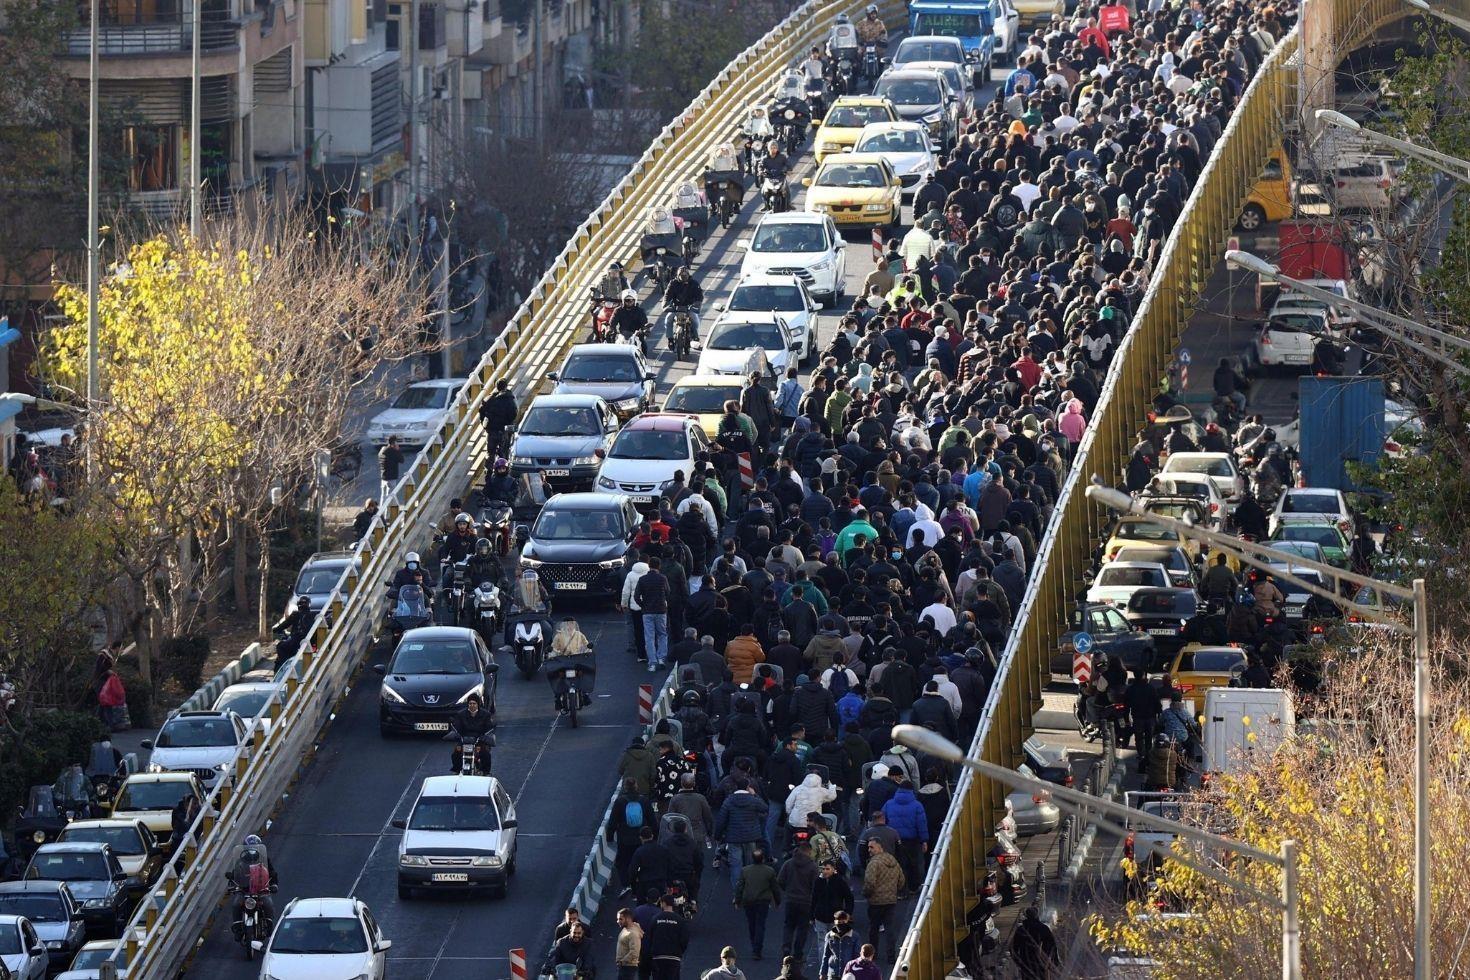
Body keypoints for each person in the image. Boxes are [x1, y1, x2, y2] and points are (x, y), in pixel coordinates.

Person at [225, 835, 278, 940]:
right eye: (250, 848)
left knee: (268, 904)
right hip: (244, 890)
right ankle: (238, 928)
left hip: (261, 890)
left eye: (255, 847)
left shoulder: (264, 860)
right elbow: (235, 874)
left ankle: (269, 926)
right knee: (236, 904)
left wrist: (274, 884)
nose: (252, 850)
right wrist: (232, 883)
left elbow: (272, 873)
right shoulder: (240, 861)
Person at [734, 846, 781, 961]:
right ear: (763, 859)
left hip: (748, 901)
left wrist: (737, 900)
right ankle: (757, 949)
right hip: (762, 901)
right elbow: (775, 888)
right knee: (760, 924)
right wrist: (777, 901)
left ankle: (753, 943)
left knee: (751, 923)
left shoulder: (745, 870)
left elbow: (740, 887)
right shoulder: (769, 871)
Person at [861, 838, 904, 962]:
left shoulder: (873, 863)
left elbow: (870, 883)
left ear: (880, 848)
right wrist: (893, 891)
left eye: (871, 847)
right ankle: (891, 956)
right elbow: (901, 881)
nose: (869, 850)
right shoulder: (893, 861)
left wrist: (866, 894)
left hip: (875, 901)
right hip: (891, 900)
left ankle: (872, 955)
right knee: (889, 929)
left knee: (874, 929)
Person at [776, 840, 818, 959]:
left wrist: (788, 890)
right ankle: (798, 952)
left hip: (790, 900)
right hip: (805, 902)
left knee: (789, 925)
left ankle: (786, 947)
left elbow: (780, 880)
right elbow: (816, 886)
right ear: (809, 851)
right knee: (802, 927)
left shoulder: (789, 863)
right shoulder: (812, 867)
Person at [645, 893, 691, 979]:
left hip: (658, 956)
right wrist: (679, 951)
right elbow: (685, 939)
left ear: (663, 903)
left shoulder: (655, 918)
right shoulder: (680, 920)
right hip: (674, 957)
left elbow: (649, 937)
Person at [448, 692, 494, 773]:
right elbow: (457, 727)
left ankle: (486, 772)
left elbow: (488, 728)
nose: (472, 705)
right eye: (470, 703)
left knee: (486, 754)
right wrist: (456, 734)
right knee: (456, 753)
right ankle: (457, 770)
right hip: (464, 740)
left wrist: (484, 737)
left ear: (478, 704)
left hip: (479, 740)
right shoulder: (461, 714)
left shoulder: (486, 714)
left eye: (474, 703)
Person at [1010, 906, 1059, 979]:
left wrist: (1018, 962)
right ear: (1037, 915)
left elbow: (1013, 948)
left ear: (1026, 916)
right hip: (1040, 962)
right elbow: (1052, 945)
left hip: (1025, 963)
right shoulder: (1043, 928)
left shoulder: (1021, 929)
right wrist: (1053, 961)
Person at [664, 265, 706, 346]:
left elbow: (699, 296)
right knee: (668, 319)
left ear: (688, 275)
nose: (683, 277)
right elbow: (667, 295)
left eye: (685, 275)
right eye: (681, 275)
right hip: (676, 307)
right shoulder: (673, 283)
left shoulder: (694, 283)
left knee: (694, 319)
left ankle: (696, 337)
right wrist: (665, 305)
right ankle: (670, 339)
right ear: (678, 275)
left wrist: (697, 305)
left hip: (690, 307)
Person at [479, 378, 519, 459]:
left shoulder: (490, 398)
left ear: (496, 386)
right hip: (505, 430)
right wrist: (509, 422)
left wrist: (484, 423)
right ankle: (503, 468)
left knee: (490, 453)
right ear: (506, 386)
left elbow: (481, 409)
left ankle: (489, 469)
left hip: (492, 430)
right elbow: (514, 413)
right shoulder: (510, 398)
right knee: (504, 452)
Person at [271, 596, 314, 671]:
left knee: (281, 646)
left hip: (295, 641)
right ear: (309, 604)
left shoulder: (295, 615)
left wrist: (276, 629)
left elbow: (285, 624)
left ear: (298, 605)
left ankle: (285, 667)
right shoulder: (313, 615)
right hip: (311, 642)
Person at [818, 910, 861, 980]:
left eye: (843, 922)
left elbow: (857, 956)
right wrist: (823, 973)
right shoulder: (829, 936)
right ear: (835, 922)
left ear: (847, 921)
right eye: (839, 922)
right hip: (833, 973)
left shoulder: (854, 936)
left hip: (848, 973)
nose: (841, 924)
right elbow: (826, 955)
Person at [758, 141, 792, 211]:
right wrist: (761, 171)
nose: (773, 149)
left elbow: (788, 164)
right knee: (763, 191)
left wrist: (788, 170)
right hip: (769, 178)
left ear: (777, 148)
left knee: (787, 190)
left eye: (775, 148)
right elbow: (760, 166)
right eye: (771, 148)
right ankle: (765, 204)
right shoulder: (764, 158)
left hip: (780, 177)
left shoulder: (782, 157)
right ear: (768, 148)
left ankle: (788, 204)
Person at [616, 907, 644, 980]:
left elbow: (634, 952)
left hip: (628, 967)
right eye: (618, 919)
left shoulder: (633, 933)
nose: (618, 921)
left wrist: (622, 961)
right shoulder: (628, 929)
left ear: (628, 919)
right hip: (625, 966)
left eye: (620, 919)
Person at [378, 436, 405, 501]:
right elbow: (402, 460)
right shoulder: (393, 452)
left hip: (383, 477)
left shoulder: (382, 450)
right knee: (390, 498)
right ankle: (388, 511)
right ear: (394, 443)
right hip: (391, 478)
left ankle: (382, 510)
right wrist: (398, 450)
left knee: (383, 496)